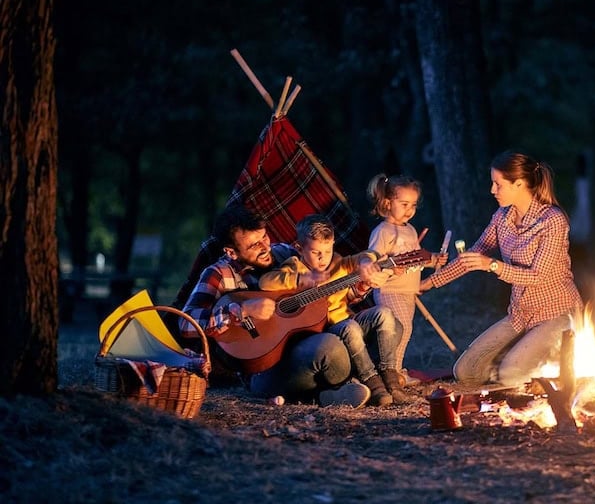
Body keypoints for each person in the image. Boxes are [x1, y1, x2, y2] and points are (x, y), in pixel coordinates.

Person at [180, 203, 387, 408]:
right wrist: (241, 311)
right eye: (254, 245)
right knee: (330, 347)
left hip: (310, 339)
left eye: (264, 237)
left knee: (366, 326)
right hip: (266, 369)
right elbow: (186, 323)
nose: (265, 247)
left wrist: (362, 285)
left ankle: (335, 391)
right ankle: (325, 394)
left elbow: (328, 300)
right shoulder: (218, 274)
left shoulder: (285, 253)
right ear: (231, 252)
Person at [419, 150, 584, 387]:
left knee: (510, 374)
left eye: (498, 184)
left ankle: (549, 370)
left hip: (556, 314)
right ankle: (521, 363)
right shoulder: (502, 217)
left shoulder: (552, 221)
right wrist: (429, 283)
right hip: (520, 314)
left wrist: (493, 266)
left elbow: (537, 276)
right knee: (466, 372)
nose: (492, 190)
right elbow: (473, 256)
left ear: (518, 184)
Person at [259, 214, 413, 405]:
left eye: (328, 249)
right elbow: (265, 282)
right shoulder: (294, 266)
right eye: (316, 253)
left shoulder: (339, 263)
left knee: (385, 313)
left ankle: (390, 375)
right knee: (351, 327)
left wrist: (366, 263)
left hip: (346, 321)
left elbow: (368, 255)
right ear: (300, 248)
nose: (323, 258)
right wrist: (299, 280)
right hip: (326, 332)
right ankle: (372, 382)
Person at [366, 173, 448, 384]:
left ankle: (394, 370)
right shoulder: (382, 231)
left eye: (413, 205)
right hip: (390, 290)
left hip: (408, 291)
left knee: (402, 330)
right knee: (400, 329)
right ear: (387, 202)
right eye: (404, 204)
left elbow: (416, 258)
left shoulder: (411, 230)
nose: (409, 210)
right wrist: (391, 269)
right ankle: (391, 372)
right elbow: (371, 261)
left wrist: (433, 260)